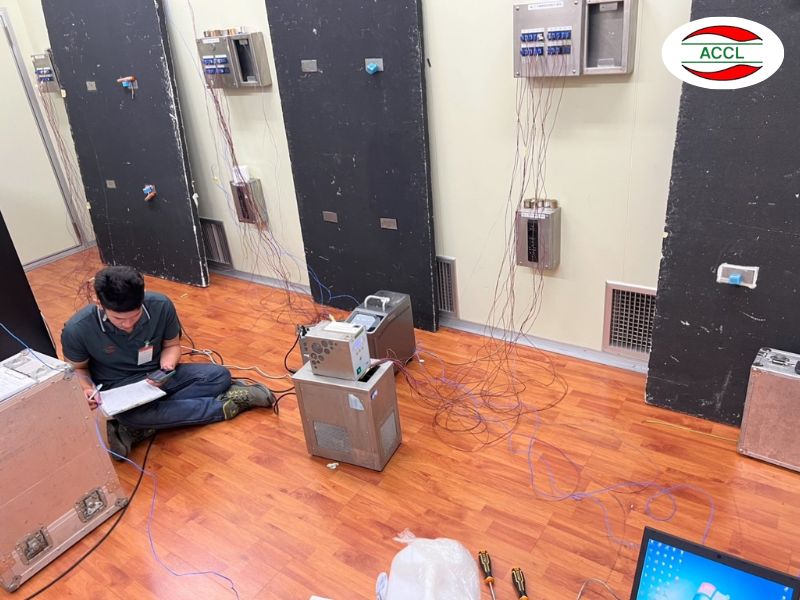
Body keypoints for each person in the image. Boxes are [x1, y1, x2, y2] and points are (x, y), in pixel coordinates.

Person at [61, 265, 274, 458]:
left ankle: (138, 428)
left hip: (159, 378)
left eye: (134, 316)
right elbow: (78, 369)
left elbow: (172, 345)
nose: (128, 325)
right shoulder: (77, 329)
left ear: (142, 297)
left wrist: (167, 366)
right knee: (132, 414)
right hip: (120, 390)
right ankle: (226, 405)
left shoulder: (161, 305)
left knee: (219, 376)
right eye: (119, 319)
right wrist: (86, 389)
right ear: (99, 303)